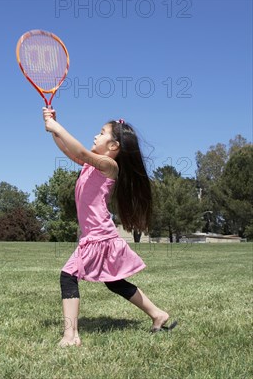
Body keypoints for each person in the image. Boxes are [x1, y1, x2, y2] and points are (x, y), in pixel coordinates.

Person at [42, 108, 177, 347]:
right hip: (98, 236)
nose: (95, 136)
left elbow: (81, 151)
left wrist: (57, 127)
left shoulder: (108, 166)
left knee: (67, 276)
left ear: (114, 146)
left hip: (99, 237)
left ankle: (70, 336)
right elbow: (69, 150)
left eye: (101, 133)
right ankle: (158, 314)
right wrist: (53, 127)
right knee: (115, 282)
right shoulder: (90, 165)